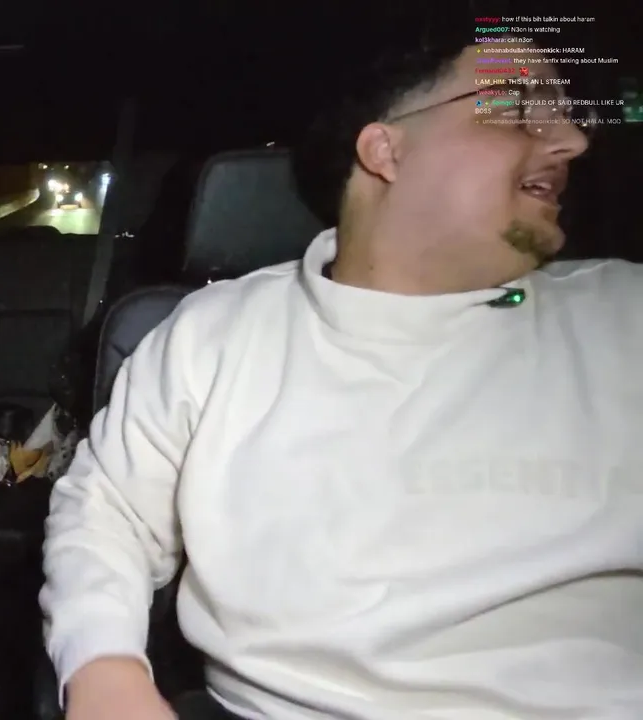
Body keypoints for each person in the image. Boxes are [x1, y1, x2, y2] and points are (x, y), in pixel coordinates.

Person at [41, 26, 642, 720]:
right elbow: (106, 515)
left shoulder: (623, 315)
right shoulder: (214, 335)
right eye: (515, 109)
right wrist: (105, 671)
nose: (571, 141)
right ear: (386, 150)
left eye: (567, 114)